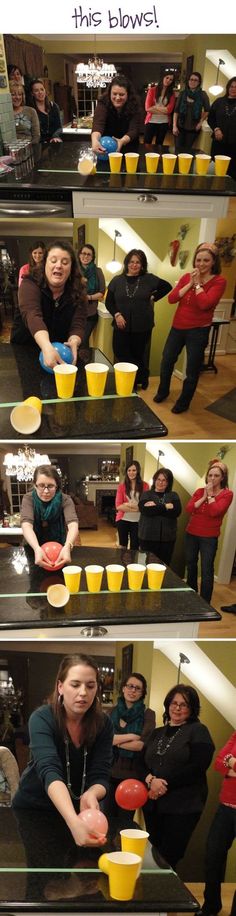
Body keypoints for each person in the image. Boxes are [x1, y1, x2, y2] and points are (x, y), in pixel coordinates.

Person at [13, 653, 114, 848]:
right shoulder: (42, 718)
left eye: (90, 686)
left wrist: (91, 793)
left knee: (81, 873)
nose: (83, 692)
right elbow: (49, 771)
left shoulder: (104, 724)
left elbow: (101, 775)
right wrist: (72, 820)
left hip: (78, 811)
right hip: (35, 810)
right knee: (43, 875)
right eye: (75, 685)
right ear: (60, 686)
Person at [143, 684, 215, 869]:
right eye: (174, 703)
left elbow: (198, 766)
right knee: (155, 854)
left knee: (169, 857)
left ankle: (167, 896)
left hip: (183, 805)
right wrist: (151, 781)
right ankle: (155, 895)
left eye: (183, 704)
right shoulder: (156, 733)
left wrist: (163, 785)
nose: (177, 708)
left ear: (192, 708)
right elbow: (140, 762)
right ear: (167, 705)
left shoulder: (199, 730)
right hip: (153, 805)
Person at [153, 242, 226, 413]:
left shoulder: (219, 281)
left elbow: (205, 304)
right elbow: (171, 299)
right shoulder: (187, 277)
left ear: (213, 262)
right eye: (198, 260)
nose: (201, 264)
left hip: (198, 331)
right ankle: (163, 391)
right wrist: (190, 283)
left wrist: (199, 284)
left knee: (192, 369)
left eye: (206, 260)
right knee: (167, 360)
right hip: (177, 327)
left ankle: (183, 402)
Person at [11, 240, 87, 369]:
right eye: (53, 260)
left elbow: (78, 322)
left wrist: (74, 340)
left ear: (71, 268)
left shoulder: (78, 290)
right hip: (26, 349)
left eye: (65, 262)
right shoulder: (29, 283)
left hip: (60, 352)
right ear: (44, 264)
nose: (59, 266)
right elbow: (32, 315)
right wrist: (46, 346)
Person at [106, 248, 172, 389]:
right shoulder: (117, 280)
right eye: (131, 262)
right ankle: (142, 374)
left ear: (142, 265)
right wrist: (117, 314)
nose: (134, 265)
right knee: (120, 352)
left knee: (137, 354)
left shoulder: (149, 279)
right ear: (127, 263)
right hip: (121, 324)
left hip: (142, 325)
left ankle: (134, 382)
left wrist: (154, 297)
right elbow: (109, 302)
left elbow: (167, 286)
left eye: (138, 262)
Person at [104, 672, 156, 819]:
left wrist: (116, 741)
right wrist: (130, 736)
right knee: (107, 820)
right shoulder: (111, 712)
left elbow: (142, 745)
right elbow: (103, 740)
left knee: (125, 823)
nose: (133, 691)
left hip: (134, 776)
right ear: (123, 688)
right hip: (109, 772)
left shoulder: (148, 714)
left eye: (138, 688)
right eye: (130, 686)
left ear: (142, 693)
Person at [185, 459, 233, 604]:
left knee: (206, 569)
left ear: (222, 477)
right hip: (191, 533)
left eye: (216, 475)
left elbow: (214, 512)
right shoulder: (200, 491)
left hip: (209, 537)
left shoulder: (227, 494)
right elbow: (189, 509)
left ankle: (205, 602)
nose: (212, 478)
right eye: (210, 475)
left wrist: (211, 495)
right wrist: (204, 497)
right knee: (191, 564)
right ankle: (192, 594)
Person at [201, 731, 236, 916]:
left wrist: (230, 761)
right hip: (225, 807)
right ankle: (211, 906)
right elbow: (218, 763)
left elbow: (226, 760)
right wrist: (230, 762)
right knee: (212, 856)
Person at [20, 464, 79, 569]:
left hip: (60, 549)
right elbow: (26, 525)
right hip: (32, 548)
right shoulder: (28, 499)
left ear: (57, 486)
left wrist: (68, 546)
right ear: (34, 485)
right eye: (41, 485)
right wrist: (37, 548)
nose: (46, 491)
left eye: (50, 486)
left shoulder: (65, 499)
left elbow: (73, 525)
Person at [139, 467, 182, 565]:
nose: (161, 482)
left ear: (168, 482)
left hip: (167, 538)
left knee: (164, 566)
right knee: (148, 565)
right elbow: (145, 510)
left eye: (164, 480)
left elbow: (176, 512)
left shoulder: (174, 495)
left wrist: (155, 508)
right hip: (147, 537)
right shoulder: (146, 494)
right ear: (155, 480)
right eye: (158, 479)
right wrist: (166, 506)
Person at [91, 74, 142, 154]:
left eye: (121, 94)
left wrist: (122, 141)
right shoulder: (103, 102)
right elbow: (98, 124)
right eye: (114, 94)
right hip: (105, 147)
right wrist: (95, 140)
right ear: (109, 93)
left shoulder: (135, 105)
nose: (117, 98)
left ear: (128, 95)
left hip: (129, 146)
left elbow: (134, 129)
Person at [115, 460, 149, 550]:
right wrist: (137, 508)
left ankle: (132, 564)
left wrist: (127, 504)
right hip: (123, 519)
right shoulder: (122, 486)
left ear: (138, 471)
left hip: (138, 521)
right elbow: (118, 506)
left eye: (134, 470)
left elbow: (145, 506)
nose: (131, 472)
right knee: (123, 546)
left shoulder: (145, 486)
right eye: (129, 470)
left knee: (135, 547)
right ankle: (121, 564)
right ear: (126, 472)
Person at [173, 72, 210, 153]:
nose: (193, 82)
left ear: (199, 82)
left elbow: (207, 110)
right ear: (188, 81)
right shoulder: (183, 93)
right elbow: (176, 110)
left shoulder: (202, 94)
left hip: (193, 128)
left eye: (196, 80)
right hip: (180, 127)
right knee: (178, 150)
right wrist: (174, 126)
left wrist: (200, 122)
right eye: (191, 79)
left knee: (187, 152)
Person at [207, 77, 236, 181]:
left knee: (232, 171)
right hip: (218, 141)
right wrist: (216, 129)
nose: (233, 89)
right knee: (216, 168)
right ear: (228, 87)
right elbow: (211, 118)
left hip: (234, 144)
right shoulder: (219, 102)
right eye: (231, 86)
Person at [78, 244, 106, 348]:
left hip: (90, 313)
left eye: (89, 254)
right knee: (72, 340)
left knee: (83, 342)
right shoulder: (74, 270)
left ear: (92, 257)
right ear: (79, 255)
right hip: (74, 312)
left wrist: (88, 297)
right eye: (83, 253)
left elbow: (102, 292)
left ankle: (85, 363)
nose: (86, 256)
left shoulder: (97, 271)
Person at [144, 73, 176, 147]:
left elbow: (169, 110)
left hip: (164, 122)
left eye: (171, 79)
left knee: (159, 145)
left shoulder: (171, 94)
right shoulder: (152, 90)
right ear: (163, 77)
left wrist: (155, 107)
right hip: (151, 121)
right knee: (147, 143)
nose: (168, 80)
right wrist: (164, 110)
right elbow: (148, 108)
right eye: (167, 78)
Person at [29, 78, 63, 143]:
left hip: (54, 142)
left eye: (42, 89)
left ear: (45, 91)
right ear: (32, 93)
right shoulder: (30, 109)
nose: (40, 92)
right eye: (36, 90)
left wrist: (55, 137)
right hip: (38, 143)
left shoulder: (54, 106)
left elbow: (59, 127)